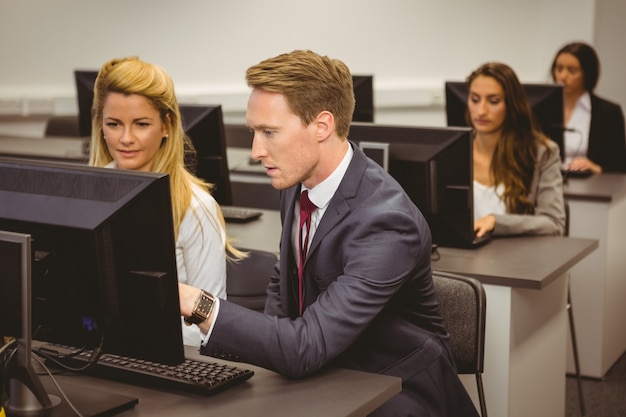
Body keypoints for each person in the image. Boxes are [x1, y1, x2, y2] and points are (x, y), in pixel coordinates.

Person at [178, 50, 479, 416]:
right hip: (326, 374)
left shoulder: (387, 222)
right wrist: (271, 354)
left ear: (321, 126)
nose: (257, 150)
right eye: (253, 132)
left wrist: (200, 304)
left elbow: (307, 345)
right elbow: (283, 281)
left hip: (394, 391)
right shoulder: (298, 177)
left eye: (270, 132)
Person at [88, 56, 245, 346]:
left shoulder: (197, 208)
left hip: (166, 357)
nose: (125, 138)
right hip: (96, 350)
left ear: (165, 126)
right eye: (113, 124)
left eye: (141, 124)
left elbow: (208, 325)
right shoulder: (87, 195)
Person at [466, 62, 566, 238]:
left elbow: (553, 223)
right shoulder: (454, 153)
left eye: (493, 101)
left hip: (518, 261)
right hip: (460, 259)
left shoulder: (542, 153)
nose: (481, 111)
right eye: (474, 99)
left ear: (511, 105)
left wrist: (496, 222)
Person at [551, 41, 626, 173]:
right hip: (547, 184)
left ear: (587, 73)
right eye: (559, 69)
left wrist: (597, 168)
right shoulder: (542, 109)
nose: (563, 76)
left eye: (572, 71)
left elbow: (619, 166)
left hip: (590, 185)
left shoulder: (608, 112)